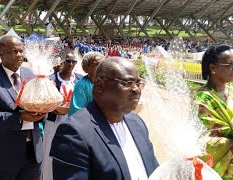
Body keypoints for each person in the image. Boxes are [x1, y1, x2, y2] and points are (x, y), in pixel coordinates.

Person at [50, 57, 159, 180]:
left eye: (138, 83)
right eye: (128, 83)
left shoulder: (137, 124)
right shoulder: (74, 133)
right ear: (101, 85)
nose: (136, 90)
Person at [0, 35, 45, 180]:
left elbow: (39, 104)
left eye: (21, 51)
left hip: (33, 153)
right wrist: (19, 117)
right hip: (3, 156)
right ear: (1, 53)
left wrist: (42, 112)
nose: (20, 55)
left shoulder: (30, 75)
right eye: (15, 52)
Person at [42, 50, 83, 180]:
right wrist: (53, 108)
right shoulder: (52, 78)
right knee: (49, 151)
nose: (71, 64)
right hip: (54, 121)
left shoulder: (79, 79)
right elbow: (44, 100)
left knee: (71, 152)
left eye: (74, 61)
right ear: (62, 62)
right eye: (68, 61)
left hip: (73, 122)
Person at [194, 45, 233, 178]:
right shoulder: (203, 98)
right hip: (217, 169)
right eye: (230, 64)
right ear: (213, 68)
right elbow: (214, 133)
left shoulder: (232, 90)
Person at [68, 51, 104, 116]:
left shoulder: (107, 84)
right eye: (97, 64)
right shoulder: (81, 85)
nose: (101, 67)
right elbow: (76, 113)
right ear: (86, 68)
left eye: (102, 64)